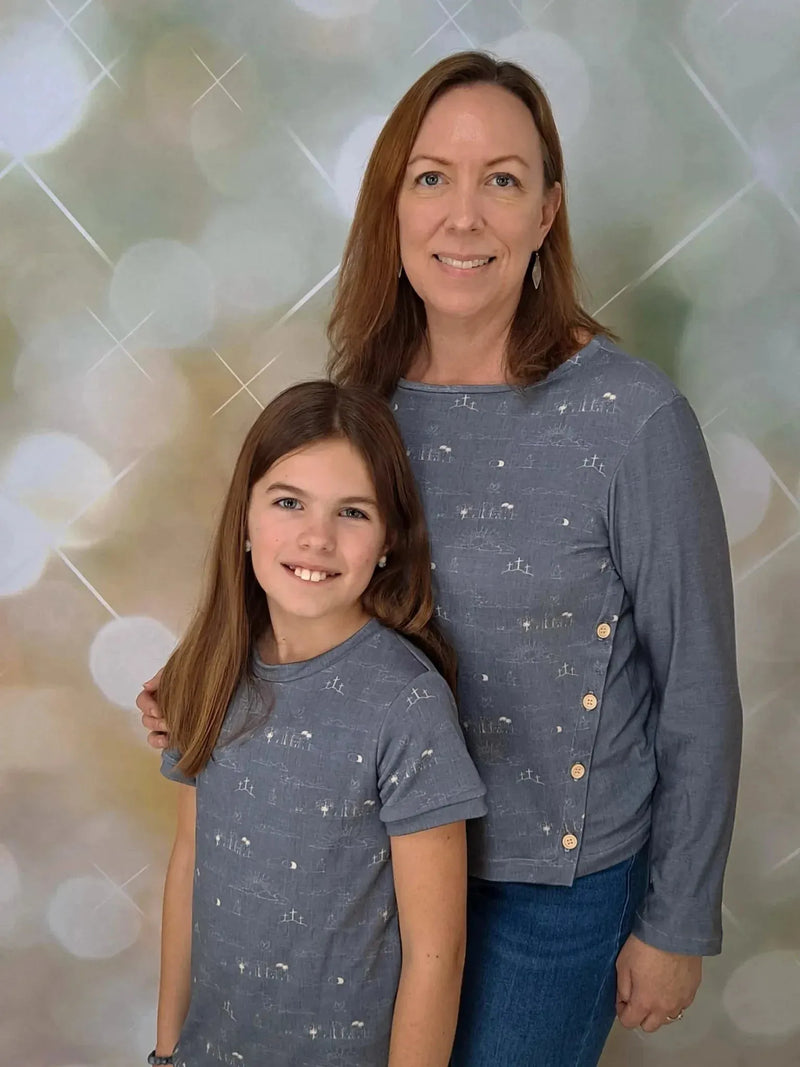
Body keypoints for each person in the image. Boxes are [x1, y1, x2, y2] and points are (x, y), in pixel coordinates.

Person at [139, 52, 742, 1066]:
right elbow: (303, 592)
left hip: (547, 899)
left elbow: (696, 686)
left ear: (546, 212)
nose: (462, 216)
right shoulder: (361, 405)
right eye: (431, 177)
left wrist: (674, 917)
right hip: (366, 874)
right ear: (392, 204)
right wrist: (208, 678)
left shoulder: (631, 422)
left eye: (500, 179)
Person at [149, 380, 487, 1067]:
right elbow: (189, 867)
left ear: (390, 538)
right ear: (244, 518)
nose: (317, 537)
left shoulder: (407, 703)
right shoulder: (205, 673)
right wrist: (164, 1053)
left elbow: (436, 953)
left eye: (353, 512)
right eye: (288, 501)